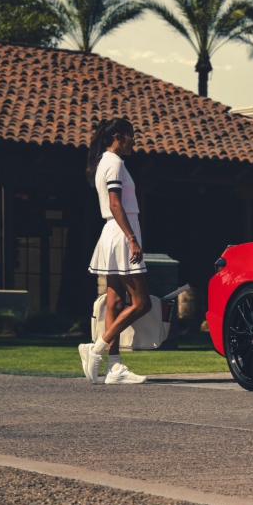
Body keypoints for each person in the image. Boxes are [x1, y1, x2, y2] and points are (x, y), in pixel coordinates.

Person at [78, 117, 150, 384]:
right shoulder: (115, 163)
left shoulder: (104, 163)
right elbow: (115, 204)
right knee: (142, 303)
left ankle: (115, 367)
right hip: (121, 233)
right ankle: (96, 348)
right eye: (132, 137)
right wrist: (132, 238)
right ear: (118, 137)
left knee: (116, 302)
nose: (134, 142)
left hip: (113, 231)